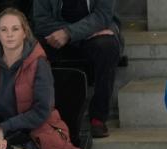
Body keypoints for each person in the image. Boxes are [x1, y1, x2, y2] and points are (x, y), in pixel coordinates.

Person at [0, 8, 82, 149]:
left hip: (32, 132)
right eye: (4, 30)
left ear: (25, 32)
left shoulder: (39, 64)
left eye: (15, 29)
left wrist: (4, 128)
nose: (9, 35)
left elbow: (41, 112)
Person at [33, 0, 122, 137]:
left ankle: (98, 117)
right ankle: (43, 116)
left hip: (93, 35)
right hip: (58, 34)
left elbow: (103, 16)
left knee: (108, 46)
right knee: (32, 48)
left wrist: (71, 33)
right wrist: (71, 33)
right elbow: (41, 21)